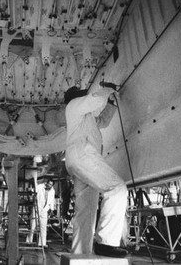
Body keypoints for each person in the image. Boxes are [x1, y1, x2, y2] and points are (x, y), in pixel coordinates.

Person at [64, 85, 128, 258]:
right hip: (83, 156)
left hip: (79, 160)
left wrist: (112, 104)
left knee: (86, 210)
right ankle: (106, 242)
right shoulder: (73, 105)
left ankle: (79, 254)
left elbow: (103, 121)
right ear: (75, 98)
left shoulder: (84, 117)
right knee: (117, 189)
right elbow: (95, 99)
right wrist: (108, 89)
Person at [26, 178, 56, 248]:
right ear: (47, 183)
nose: (49, 185)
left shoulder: (52, 191)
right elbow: (34, 190)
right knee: (33, 225)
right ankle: (29, 241)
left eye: (51, 185)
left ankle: (42, 243)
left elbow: (52, 200)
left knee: (43, 227)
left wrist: (51, 209)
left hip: (45, 210)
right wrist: (31, 189)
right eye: (49, 184)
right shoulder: (40, 186)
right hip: (37, 207)